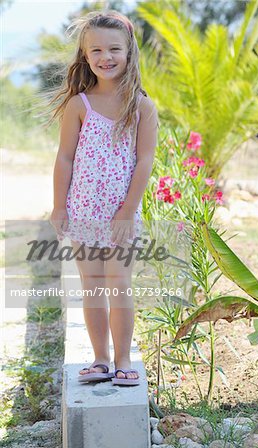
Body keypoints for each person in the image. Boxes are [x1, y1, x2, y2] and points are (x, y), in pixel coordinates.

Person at [49, 10, 158, 386]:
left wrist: (128, 210)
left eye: (114, 49)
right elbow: (64, 158)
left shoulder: (141, 106)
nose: (105, 57)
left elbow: (144, 161)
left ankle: (124, 358)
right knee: (92, 286)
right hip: (82, 212)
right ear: (85, 55)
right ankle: (100, 359)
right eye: (95, 49)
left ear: (129, 53)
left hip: (120, 215)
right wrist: (59, 205)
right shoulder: (80, 105)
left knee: (119, 283)